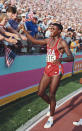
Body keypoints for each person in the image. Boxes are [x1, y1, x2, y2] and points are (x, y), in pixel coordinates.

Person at [21, 23, 74, 128]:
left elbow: (71, 57)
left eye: (53, 29)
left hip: (56, 71)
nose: (51, 30)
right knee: (40, 92)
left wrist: (61, 59)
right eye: (50, 28)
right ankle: (52, 105)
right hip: (48, 69)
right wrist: (25, 31)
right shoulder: (48, 40)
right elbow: (34, 41)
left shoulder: (62, 42)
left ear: (59, 31)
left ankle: (51, 117)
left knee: (52, 94)